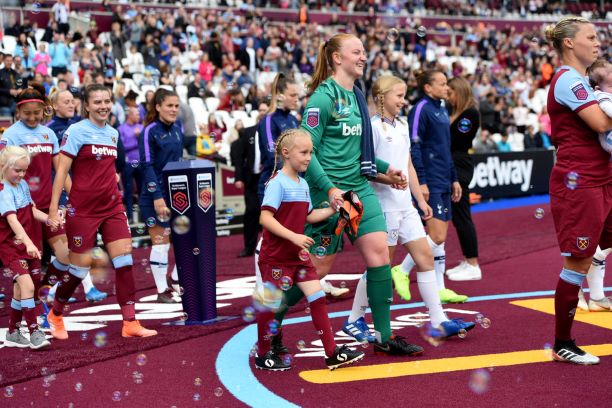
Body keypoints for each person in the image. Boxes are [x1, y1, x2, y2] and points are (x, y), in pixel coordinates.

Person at [269, 33, 416, 356]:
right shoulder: (322, 98)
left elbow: (357, 153)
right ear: (337, 58)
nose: (364, 57)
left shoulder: (358, 96)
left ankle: (384, 336)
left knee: (380, 258)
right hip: (327, 195)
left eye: (364, 51)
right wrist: (331, 189)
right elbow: (305, 151)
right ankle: (271, 322)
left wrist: (385, 171)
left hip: (359, 190)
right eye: (357, 52)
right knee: (317, 272)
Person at [343, 75, 475, 344]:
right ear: (382, 98)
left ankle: (438, 321)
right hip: (383, 207)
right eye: (399, 96)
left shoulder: (402, 125)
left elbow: (408, 167)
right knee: (379, 267)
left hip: (406, 207)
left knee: (425, 258)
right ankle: (354, 317)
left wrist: (421, 200)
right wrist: (388, 179)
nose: (404, 102)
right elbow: (364, 169)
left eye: (404, 96)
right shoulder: (372, 128)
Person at [46, 84, 157, 340]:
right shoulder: (75, 131)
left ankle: (130, 322)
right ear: (86, 105)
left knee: (125, 262)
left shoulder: (113, 133)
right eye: (97, 102)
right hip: (82, 211)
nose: (104, 106)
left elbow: (108, 170)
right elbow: (61, 171)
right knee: (78, 271)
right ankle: (56, 313)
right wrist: (54, 209)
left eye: (107, 101)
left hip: (112, 208)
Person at [255, 128, 364, 371]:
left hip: (297, 258)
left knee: (317, 298)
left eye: (310, 153)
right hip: (276, 258)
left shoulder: (303, 184)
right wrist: (294, 236)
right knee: (270, 306)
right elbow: (265, 218)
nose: (308, 157)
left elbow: (309, 216)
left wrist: (336, 209)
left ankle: (332, 353)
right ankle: (262, 354)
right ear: (286, 153)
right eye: (303, 152)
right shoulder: (277, 184)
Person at [544, 16, 612, 365]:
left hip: (601, 176)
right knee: (577, 263)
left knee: (595, 250)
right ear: (569, 43)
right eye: (591, 36)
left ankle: (597, 287)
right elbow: (601, 122)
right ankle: (563, 342)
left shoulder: (581, 80)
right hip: (580, 181)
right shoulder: (568, 80)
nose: (598, 41)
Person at [394, 70, 468, 304]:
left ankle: (440, 288)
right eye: (443, 84)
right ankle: (402, 270)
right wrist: (422, 181)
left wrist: (454, 177)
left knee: (441, 239)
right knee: (436, 235)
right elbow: (413, 148)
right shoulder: (420, 109)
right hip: (431, 181)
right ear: (428, 88)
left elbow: (445, 148)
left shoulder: (442, 109)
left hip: (444, 179)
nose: (447, 88)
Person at [0, 146, 51, 349]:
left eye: (24, 170)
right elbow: (13, 221)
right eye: (17, 170)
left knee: (23, 290)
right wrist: (29, 243)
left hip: (27, 244)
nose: (21, 175)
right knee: (28, 286)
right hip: (11, 247)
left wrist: (49, 220)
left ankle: (12, 332)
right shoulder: (3, 191)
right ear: (3, 167)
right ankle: (34, 332)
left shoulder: (22, 186)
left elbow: (31, 210)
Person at [139, 89, 184, 303]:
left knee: (187, 240)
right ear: (158, 107)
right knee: (161, 243)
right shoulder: (149, 131)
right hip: (154, 197)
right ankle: (161, 290)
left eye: (176, 106)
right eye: (169, 106)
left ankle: (175, 280)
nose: (174, 110)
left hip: (176, 195)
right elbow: (146, 166)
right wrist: (157, 196)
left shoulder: (178, 130)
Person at [577, 58, 612, 312]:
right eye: (610, 70)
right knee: (586, 235)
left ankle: (596, 291)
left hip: (607, 170)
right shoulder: (599, 97)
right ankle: (579, 288)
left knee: (603, 238)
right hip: (595, 174)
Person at [445, 76, 482, 281]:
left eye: (450, 93)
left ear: (458, 91)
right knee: (459, 217)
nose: (447, 97)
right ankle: (468, 260)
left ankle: (473, 263)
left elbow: (455, 141)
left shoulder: (469, 114)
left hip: (459, 166)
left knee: (462, 215)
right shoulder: (453, 112)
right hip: (452, 165)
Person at [231, 102, 268, 258]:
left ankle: (272, 248)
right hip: (252, 181)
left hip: (269, 179)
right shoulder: (248, 132)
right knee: (251, 214)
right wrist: (238, 177)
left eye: (265, 110)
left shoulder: (276, 131)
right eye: (260, 110)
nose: (262, 112)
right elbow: (240, 157)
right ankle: (249, 247)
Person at [118, 106, 143, 222]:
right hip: (128, 163)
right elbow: (122, 147)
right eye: (137, 114)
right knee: (128, 190)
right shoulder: (121, 129)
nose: (139, 116)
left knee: (143, 189)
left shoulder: (141, 127)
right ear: (130, 115)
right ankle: (130, 216)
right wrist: (135, 139)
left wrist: (139, 139)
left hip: (141, 162)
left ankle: (143, 215)